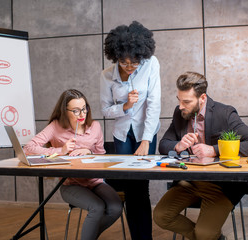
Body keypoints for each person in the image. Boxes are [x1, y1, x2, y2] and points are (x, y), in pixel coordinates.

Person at [153, 72, 248, 240]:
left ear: (202, 98)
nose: (181, 106)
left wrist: (213, 150)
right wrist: (179, 145)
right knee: (161, 216)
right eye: (179, 99)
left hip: (220, 186)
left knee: (204, 233)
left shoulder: (224, 113)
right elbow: (163, 144)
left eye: (186, 101)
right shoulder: (180, 113)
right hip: (188, 183)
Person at [24, 89, 122, 240]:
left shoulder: (95, 126)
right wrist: (60, 150)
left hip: (95, 182)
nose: (82, 114)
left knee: (116, 208)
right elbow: (28, 149)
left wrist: (89, 151)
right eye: (76, 111)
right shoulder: (56, 126)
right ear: (65, 111)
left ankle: (88, 236)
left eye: (84, 109)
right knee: (97, 207)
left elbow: (101, 155)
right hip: (70, 185)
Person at [100, 21, 161, 240]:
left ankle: (143, 237)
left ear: (141, 55)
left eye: (134, 61)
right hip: (122, 135)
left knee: (141, 186)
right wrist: (124, 106)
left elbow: (154, 104)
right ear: (115, 55)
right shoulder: (106, 75)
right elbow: (106, 110)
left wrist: (146, 140)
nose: (129, 66)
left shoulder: (151, 64)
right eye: (124, 61)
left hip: (146, 131)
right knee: (129, 185)